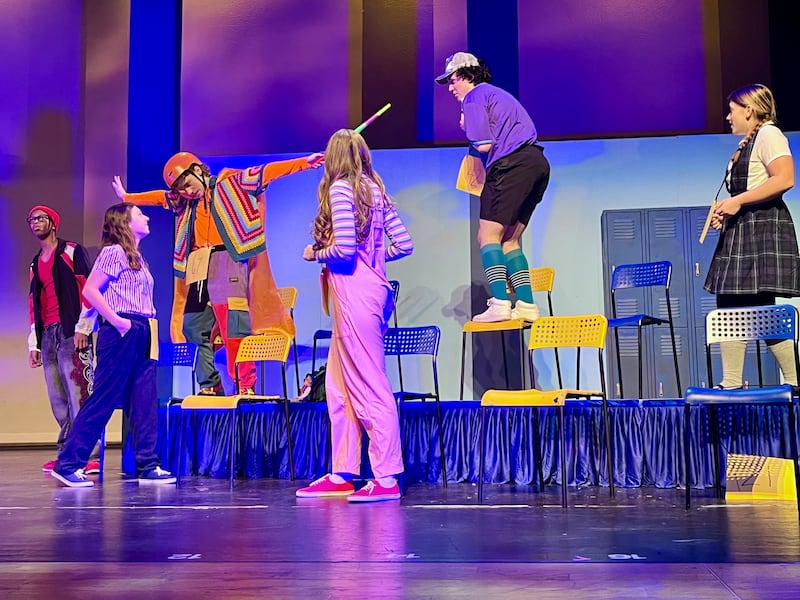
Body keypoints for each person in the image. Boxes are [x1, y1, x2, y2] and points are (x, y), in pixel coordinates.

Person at [112, 151, 323, 395]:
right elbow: (161, 198)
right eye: (181, 189)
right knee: (191, 326)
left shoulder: (230, 182)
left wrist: (304, 163)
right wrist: (128, 197)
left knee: (234, 325)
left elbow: (267, 172)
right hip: (199, 266)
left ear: (199, 171)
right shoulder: (185, 202)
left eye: (188, 184)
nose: (187, 192)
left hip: (228, 260)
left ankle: (246, 385)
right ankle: (211, 384)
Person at [295, 129, 413, 502]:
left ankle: (387, 476)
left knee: (369, 385)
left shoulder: (341, 189)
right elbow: (404, 245)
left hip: (356, 295)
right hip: (367, 290)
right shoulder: (376, 190)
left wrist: (317, 254)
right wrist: (373, 260)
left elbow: (344, 250)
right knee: (339, 388)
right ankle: (343, 471)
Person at [51, 203, 175, 487]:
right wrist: (118, 322)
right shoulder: (113, 252)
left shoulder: (137, 257)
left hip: (145, 328)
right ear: (125, 222)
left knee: (144, 398)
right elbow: (91, 290)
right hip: (123, 329)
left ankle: (148, 464)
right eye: (139, 214)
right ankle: (68, 463)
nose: (146, 217)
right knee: (105, 396)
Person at [436, 52, 550, 323]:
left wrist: (468, 126)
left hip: (510, 166)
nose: (451, 88)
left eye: (452, 81)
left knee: (487, 237)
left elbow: (484, 144)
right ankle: (526, 305)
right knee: (509, 240)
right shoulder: (497, 95)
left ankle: (500, 303)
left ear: (466, 75)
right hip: (536, 163)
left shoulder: (474, 97)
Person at [705, 84, 800, 389]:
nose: (727, 116)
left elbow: (785, 178)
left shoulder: (769, 134)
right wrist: (729, 210)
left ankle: (791, 380)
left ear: (749, 110)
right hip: (745, 229)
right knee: (736, 301)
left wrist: (739, 201)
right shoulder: (749, 141)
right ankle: (732, 381)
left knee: (757, 305)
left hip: (761, 229)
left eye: (732, 110)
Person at [27, 205, 100, 475]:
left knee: (80, 392)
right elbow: (34, 303)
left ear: (53, 223)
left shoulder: (72, 251)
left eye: (40, 218)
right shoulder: (35, 262)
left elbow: (89, 289)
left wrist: (85, 327)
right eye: (31, 219)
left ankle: (89, 453)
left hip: (73, 330)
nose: (35, 223)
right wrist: (34, 342)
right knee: (57, 397)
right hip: (49, 334)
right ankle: (68, 453)